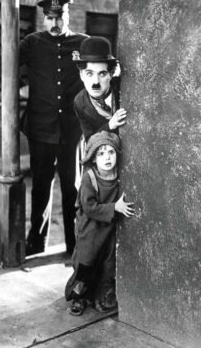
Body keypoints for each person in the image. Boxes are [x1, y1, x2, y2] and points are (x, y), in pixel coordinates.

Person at [19, 0, 89, 256]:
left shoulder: (83, 43)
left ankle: (74, 244)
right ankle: (37, 242)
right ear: (44, 19)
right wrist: (24, 84)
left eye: (60, 18)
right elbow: (3, 63)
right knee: (40, 186)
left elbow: (106, 68)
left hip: (71, 130)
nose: (55, 23)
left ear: (68, 17)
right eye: (50, 18)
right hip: (41, 127)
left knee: (72, 188)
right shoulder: (33, 43)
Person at [65, 131, 135, 316]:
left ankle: (101, 297)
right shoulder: (90, 177)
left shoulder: (119, 176)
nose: (107, 158)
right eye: (101, 153)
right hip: (89, 229)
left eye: (111, 152)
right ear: (94, 159)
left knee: (106, 264)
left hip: (107, 228)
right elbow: (89, 207)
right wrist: (115, 208)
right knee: (86, 265)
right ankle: (78, 298)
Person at [73, 36, 127, 142]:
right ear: (81, 75)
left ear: (111, 74)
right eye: (89, 73)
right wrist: (110, 125)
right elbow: (90, 139)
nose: (96, 82)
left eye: (102, 74)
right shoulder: (80, 102)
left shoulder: (124, 89)